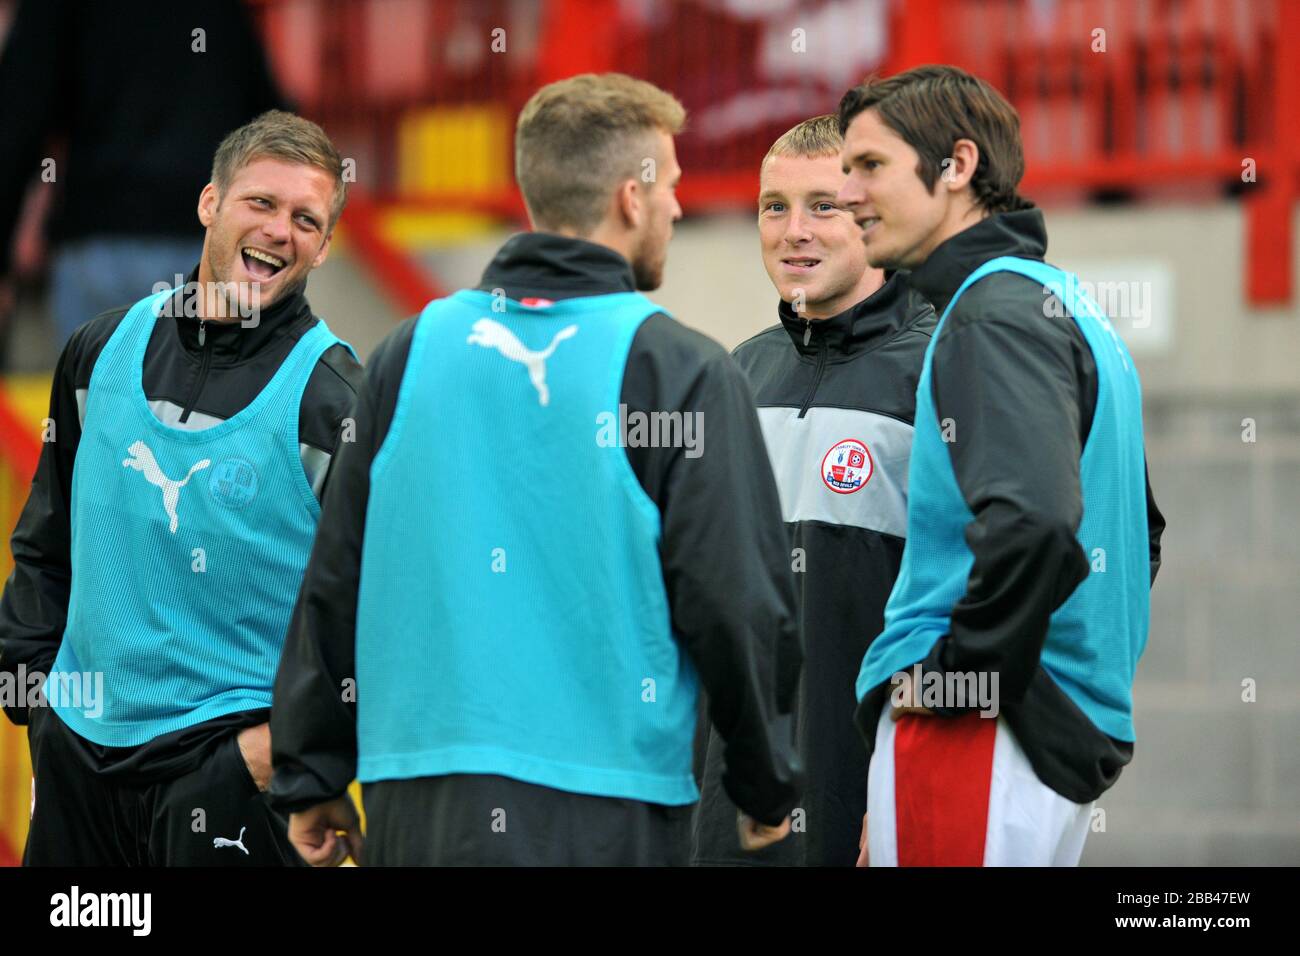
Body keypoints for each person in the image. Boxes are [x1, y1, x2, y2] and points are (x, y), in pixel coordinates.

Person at [269, 73, 803, 866]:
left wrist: (311, 773)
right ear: (631, 197)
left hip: (417, 804)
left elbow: (335, 573)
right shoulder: (679, 368)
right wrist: (766, 788)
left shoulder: (406, 354)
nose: (678, 209)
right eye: (673, 188)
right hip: (604, 807)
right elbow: (735, 599)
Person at [0, 110, 363, 866]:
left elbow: (390, 613)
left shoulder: (337, 402)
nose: (278, 231)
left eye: (305, 219)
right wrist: (34, 704)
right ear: (209, 204)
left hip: (228, 778)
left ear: (324, 247)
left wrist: (281, 755)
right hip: (77, 760)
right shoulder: (98, 349)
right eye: (259, 203)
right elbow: (46, 540)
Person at [837, 65, 1165, 866]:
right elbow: (1141, 536)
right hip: (1029, 736)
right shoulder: (1057, 298)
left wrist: (956, 682)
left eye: (869, 166)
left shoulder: (992, 313)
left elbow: (1038, 524)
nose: (848, 193)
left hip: (985, 732)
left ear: (956, 167)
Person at [692, 115, 934, 866]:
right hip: (730, 807)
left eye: (822, 206)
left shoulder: (941, 369)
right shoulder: (732, 375)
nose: (794, 230)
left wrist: (907, 786)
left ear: (870, 213)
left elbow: (983, 595)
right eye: (774, 207)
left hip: (865, 801)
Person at [0, 0, 287, 346]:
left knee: (99, 393)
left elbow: (17, 121)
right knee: (207, 397)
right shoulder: (218, 9)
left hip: (98, 244)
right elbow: (270, 120)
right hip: (204, 241)